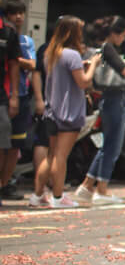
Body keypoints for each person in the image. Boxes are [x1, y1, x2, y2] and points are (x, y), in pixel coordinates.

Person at [75, 16, 125, 206]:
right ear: (114, 33)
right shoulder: (107, 48)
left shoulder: (101, 48)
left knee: (107, 146)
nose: (124, 39)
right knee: (112, 147)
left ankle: (87, 186)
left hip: (109, 99)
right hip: (115, 100)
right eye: (123, 35)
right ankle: (101, 190)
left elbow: (121, 67)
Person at [32, 17, 100, 208]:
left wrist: (82, 65)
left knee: (51, 156)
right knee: (61, 156)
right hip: (68, 113)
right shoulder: (72, 55)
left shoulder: (51, 53)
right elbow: (83, 82)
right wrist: (93, 64)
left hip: (52, 111)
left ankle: (37, 195)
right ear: (73, 33)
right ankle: (58, 197)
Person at [1, 0, 35, 199]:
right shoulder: (6, 35)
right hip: (6, 96)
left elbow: (32, 65)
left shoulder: (24, 40)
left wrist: (15, 58)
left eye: (21, 13)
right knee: (2, 144)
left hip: (20, 96)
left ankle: (5, 184)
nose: (19, 17)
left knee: (15, 147)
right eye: (14, 13)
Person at [0, 6, 20, 206]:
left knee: (3, 144)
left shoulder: (8, 31)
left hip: (1, 96)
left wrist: (14, 96)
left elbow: (14, 64)